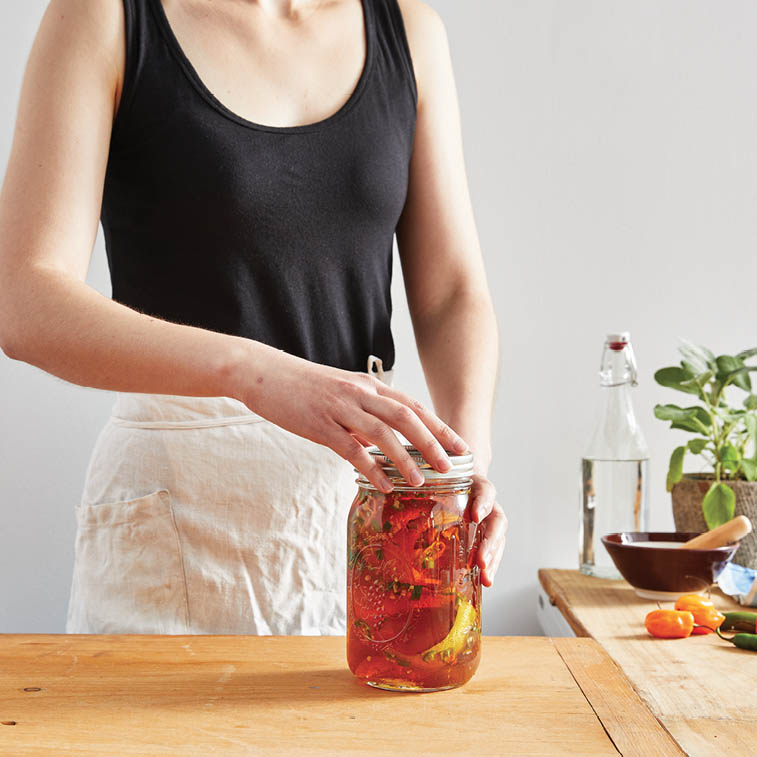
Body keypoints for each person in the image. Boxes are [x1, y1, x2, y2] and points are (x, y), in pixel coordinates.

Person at [0, 0, 505, 634]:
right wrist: (255, 372)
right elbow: (23, 299)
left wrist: (457, 469)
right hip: (178, 499)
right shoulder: (103, 16)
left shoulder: (409, 32)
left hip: (363, 500)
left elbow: (452, 293)